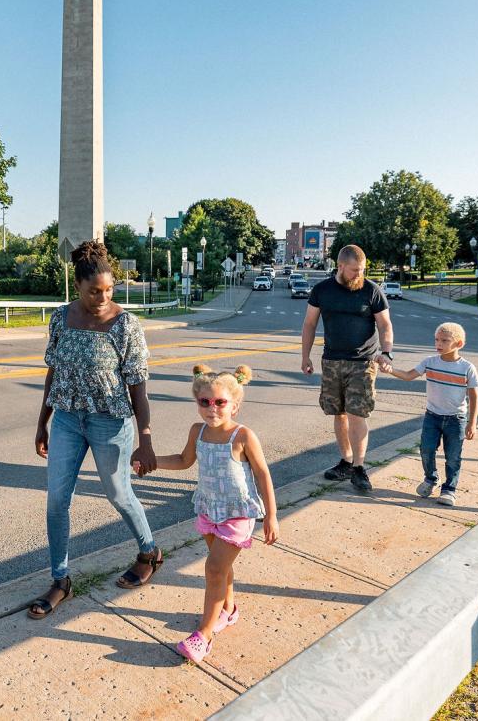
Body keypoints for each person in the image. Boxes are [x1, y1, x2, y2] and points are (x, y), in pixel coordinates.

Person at [26, 240, 162, 620]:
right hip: (68, 419)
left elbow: (138, 386)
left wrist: (145, 439)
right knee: (56, 500)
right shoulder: (60, 318)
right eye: (93, 291)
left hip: (111, 423)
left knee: (119, 494)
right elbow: (54, 371)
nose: (102, 297)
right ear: (78, 286)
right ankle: (61, 580)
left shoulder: (126, 326)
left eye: (108, 289)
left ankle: (149, 552)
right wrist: (43, 421)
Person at [151, 364, 277, 664]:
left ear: (235, 403)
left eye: (220, 402)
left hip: (237, 513)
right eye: (204, 402)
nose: (212, 408)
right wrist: (150, 461)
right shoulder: (198, 431)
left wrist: (271, 515)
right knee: (223, 569)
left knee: (214, 569)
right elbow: (183, 460)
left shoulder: (243, 435)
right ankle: (229, 610)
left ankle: (204, 636)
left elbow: (262, 474)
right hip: (209, 508)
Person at [300, 244, 394, 493]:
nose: (358, 274)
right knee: (338, 412)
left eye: (362, 270)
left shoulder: (371, 290)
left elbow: (385, 325)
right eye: (354, 270)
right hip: (331, 360)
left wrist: (386, 352)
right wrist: (305, 356)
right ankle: (346, 461)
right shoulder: (322, 290)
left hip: (363, 362)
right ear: (340, 266)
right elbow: (309, 324)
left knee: (357, 413)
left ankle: (360, 468)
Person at [387, 322, 478, 506]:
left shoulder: (467, 368)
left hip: (456, 419)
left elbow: (474, 396)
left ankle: (449, 490)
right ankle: (431, 479)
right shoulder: (430, 362)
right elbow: (408, 375)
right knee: (426, 450)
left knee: (453, 456)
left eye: (445, 341)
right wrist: (390, 370)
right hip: (432, 416)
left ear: (459, 344)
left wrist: (472, 423)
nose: (439, 344)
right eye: (437, 339)